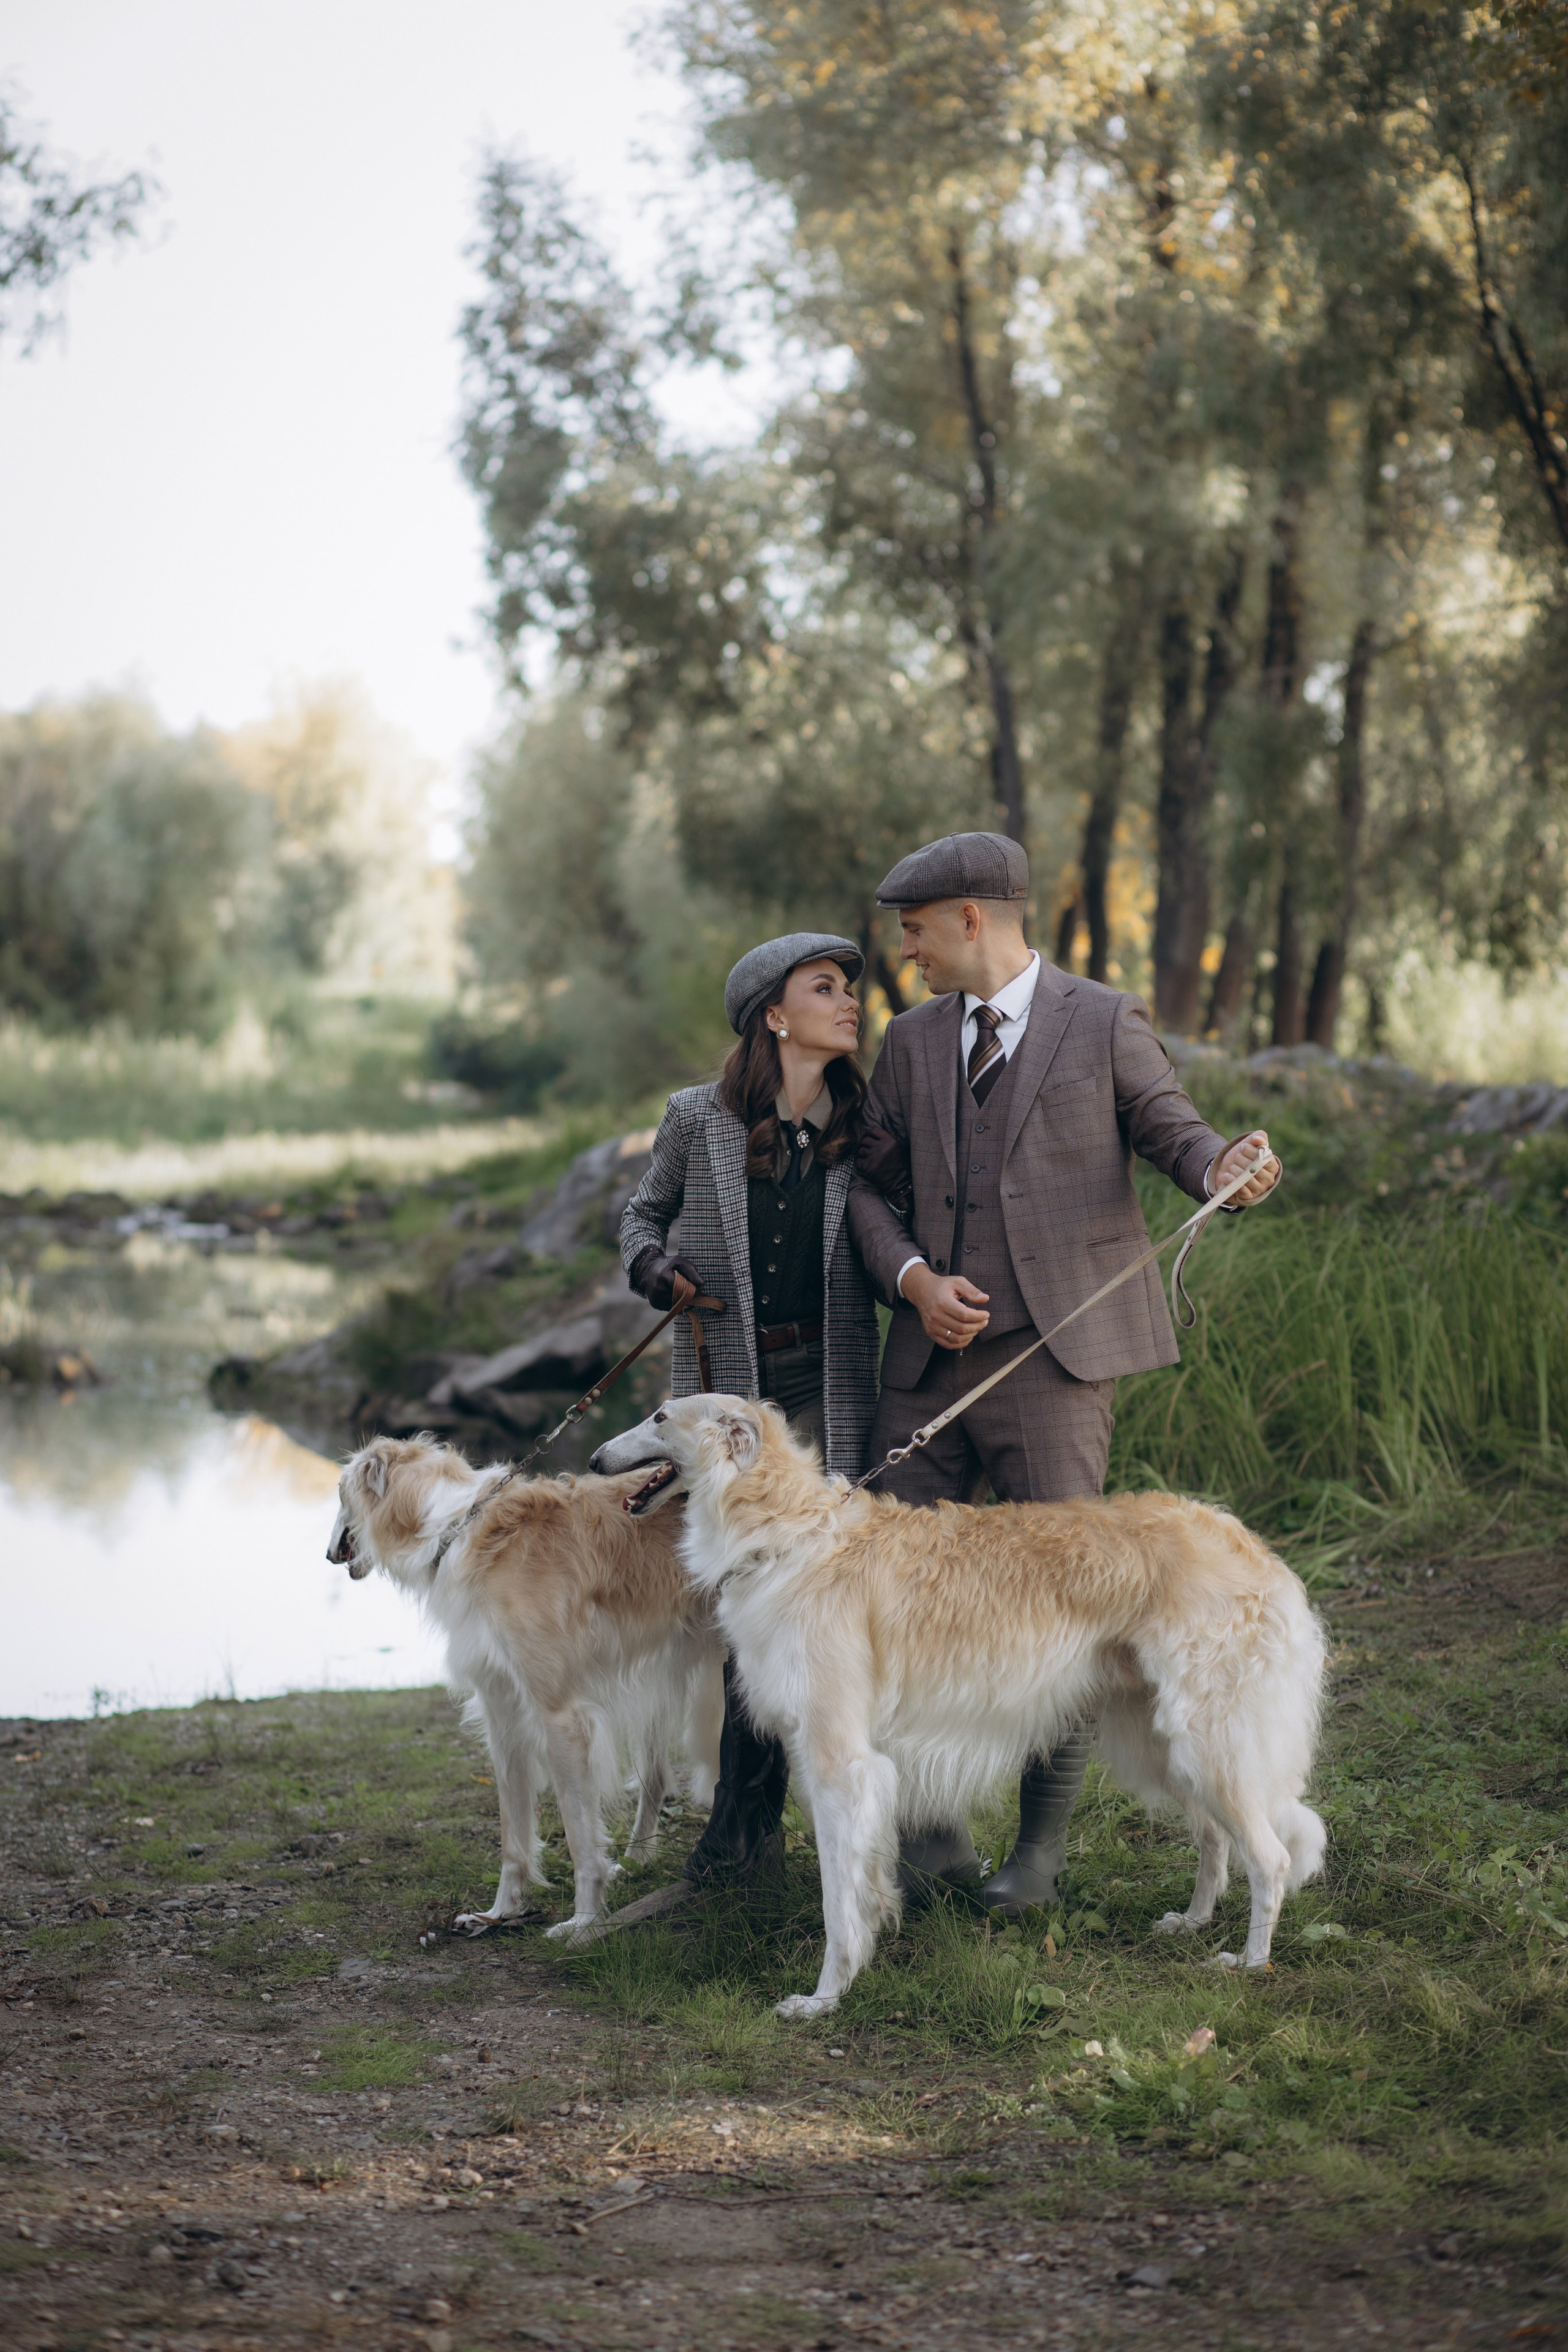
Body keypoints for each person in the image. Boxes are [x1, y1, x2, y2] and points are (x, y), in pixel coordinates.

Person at [849, 831, 1280, 1915]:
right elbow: (865, 1191)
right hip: (924, 1372)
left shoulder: (1103, 1018)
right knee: (890, 1598)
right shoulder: (906, 1043)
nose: (907, 954)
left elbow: (1174, 1132)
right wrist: (910, 1281)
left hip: (1059, 1364)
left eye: (915, 931)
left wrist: (1224, 1166)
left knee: (1067, 1609)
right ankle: (932, 1835)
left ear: (973, 919)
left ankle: (1035, 1860)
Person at [616, 931, 881, 1899]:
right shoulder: (698, 1118)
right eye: (826, 988)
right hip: (730, 1393)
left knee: (815, 1608)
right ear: (775, 1014)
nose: (850, 1001)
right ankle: (740, 1849)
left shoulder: (868, 1119)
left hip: (831, 1390)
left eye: (850, 987)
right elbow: (641, 1218)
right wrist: (655, 1271)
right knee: (746, 1613)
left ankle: (850, 1840)